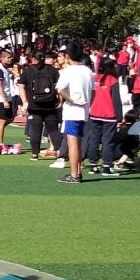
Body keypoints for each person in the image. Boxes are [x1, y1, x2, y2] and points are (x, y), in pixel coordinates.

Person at [56, 44, 95, 184]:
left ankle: (74, 174)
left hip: (72, 111)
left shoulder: (68, 71)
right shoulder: (88, 71)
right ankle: (77, 171)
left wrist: (72, 100)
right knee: (78, 143)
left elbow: (60, 90)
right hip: (84, 111)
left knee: (72, 144)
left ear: (67, 56)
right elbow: (93, 92)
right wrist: (88, 104)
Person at [19, 48, 61, 161]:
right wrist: (60, 100)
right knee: (53, 130)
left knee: (35, 129)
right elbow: (59, 87)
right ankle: (61, 153)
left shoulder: (28, 71)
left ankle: (34, 154)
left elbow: (21, 86)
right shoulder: (52, 70)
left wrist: (24, 101)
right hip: (50, 104)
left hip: (34, 105)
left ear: (33, 58)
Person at [85, 59, 124, 176]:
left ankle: (93, 166)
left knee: (94, 140)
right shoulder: (113, 80)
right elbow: (116, 100)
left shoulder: (94, 78)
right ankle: (107, 167)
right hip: (109, 115)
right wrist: (119, 117)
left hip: (94, 113)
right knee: (108, 141)